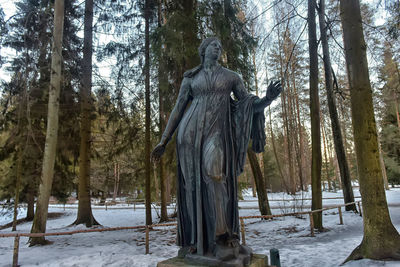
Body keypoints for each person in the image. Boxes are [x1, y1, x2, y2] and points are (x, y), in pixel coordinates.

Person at [151, 37, 282, 264]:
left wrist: (268, 99)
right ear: (203, 49)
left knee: (215, 176)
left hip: (217, 134)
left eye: (220, 46)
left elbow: (248, 105)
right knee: (192, 187)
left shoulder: (231, 77)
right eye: (214, 45)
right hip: (189, 135)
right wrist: (164, 140)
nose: (218, 48)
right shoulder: (192, 78)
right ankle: (196, 240)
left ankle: (221, 235)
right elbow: (178, 108)